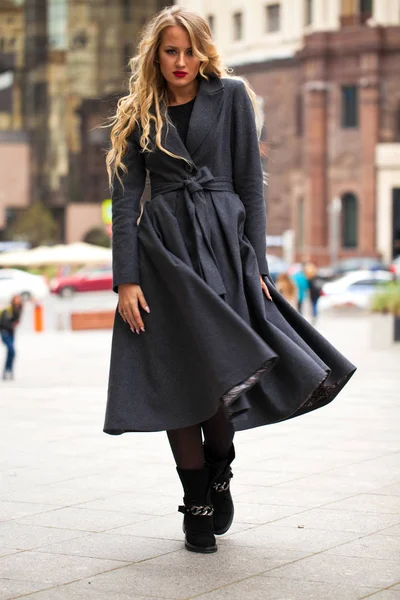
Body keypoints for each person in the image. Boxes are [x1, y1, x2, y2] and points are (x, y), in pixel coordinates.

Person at [104, 6, 356, 555]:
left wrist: (257, 267)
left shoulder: (233, 95)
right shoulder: (135, 112)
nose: (181, 61)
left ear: (204, 51)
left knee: (219, 377)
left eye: (190, 50)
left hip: (223, 246)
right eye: (171, 50)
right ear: (156, 54)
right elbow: (125, 202)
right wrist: (126, 279)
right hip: (163, 257)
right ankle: (196, 504)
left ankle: (219, 469)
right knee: (177, 376)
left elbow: (250, 183)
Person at [0, 294, 23, 380]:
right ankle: (7, 371)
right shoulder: (8, 309)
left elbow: (17, 320)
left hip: (11, 333)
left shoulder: (18, 309)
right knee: (12, 351)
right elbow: (4, 322)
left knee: (11, 353)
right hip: (5, 332)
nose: (18, 301)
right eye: (16, 299)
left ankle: (8, 371)